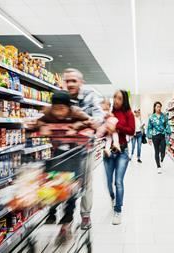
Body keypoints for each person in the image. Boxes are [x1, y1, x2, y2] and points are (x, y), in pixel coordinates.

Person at [37, 91, 96, 229]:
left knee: (71, 186)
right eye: (55, 108)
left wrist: (77, 128)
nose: (58, 112)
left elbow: (90, 122)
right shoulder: (49, 113)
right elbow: (39, 122)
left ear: (68, 108)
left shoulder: (76, 113)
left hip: (74, 154)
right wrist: (42, 128)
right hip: (58, 153)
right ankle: (51, 213)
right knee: (53, 183)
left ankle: (68, 215)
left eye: (62, 108)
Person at [63, 68, 105, 230]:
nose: (71, 84)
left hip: (86, 148)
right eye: (67, 81)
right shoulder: (62, 97)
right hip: (65, 149)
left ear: (81, 82)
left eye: (74, 80)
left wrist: (84, 121)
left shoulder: (90, 96)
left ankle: (85, 215)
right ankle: (67, 217)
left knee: (86, 182)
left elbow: (98, 118)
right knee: (65, 182)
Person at [103, 90, 135, 225]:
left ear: (124, 100)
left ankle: (118, 211)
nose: (116, 100)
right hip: (108, 152)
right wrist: (106, 128)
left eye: (119, 98)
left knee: (118, 182)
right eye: (114, 97)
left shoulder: (128, 114)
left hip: (122, 151)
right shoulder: (109, 113)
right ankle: (113, 198)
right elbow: (102, 131)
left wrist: (116, 126)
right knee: (109, 182)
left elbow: (131, 130)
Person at [147, 102, 171, 174]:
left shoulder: (164, 116)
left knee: (163, 151)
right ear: (154, 107)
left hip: (163, 135)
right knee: (156, 151)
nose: (159, 108)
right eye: (157, 106)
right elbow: (149, 128)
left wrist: (168, 133)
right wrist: (149, 138)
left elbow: (167, 125)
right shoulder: (151, 117)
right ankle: (158, 166)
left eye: (160, 106)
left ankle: (162, 158)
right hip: (155, 136)